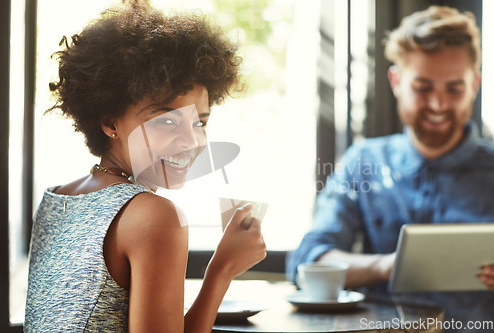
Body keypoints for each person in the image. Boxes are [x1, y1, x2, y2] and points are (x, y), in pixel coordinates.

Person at [24, 1, 267, 332]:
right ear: (111, 122)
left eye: (200, 123)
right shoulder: (155, 216)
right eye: (167, 120)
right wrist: (222, 269)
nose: (192, 142)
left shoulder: (54, 201)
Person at [287, 5, 494, 328]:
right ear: (396, 81)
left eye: (454, 89)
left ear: (475, 85)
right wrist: (386, 265)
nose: (438, 104)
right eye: (422, 87)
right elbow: (308, 259)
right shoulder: (363, 163)